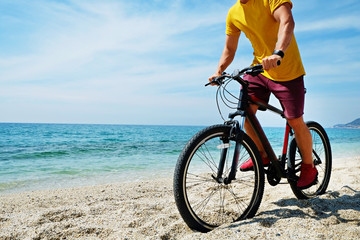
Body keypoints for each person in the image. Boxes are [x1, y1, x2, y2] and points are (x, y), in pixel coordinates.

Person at [209, 0, 317, 189]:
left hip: (287, 70)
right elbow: (229, 48)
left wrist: (278, 53)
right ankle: (263, 154)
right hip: (259, 69)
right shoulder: (233, 13)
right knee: (245, 110)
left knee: (294, 120)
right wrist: (219, 71)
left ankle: (309, 167)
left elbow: (287, 21)